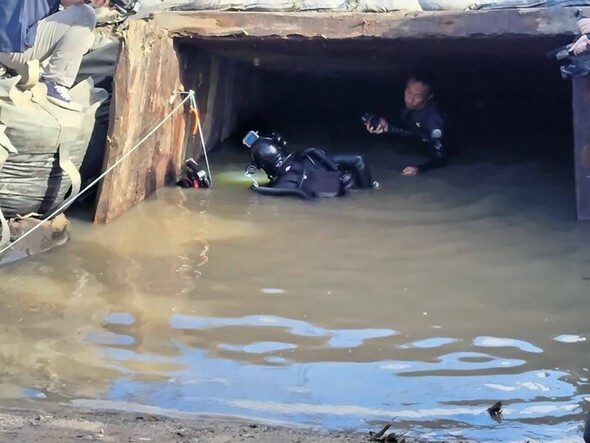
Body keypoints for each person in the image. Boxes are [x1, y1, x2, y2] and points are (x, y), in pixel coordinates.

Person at [0, 0, 110, 111]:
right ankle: (56, 82)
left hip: (6, 46)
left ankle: (41, 71)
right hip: (11, 50)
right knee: (86, 14)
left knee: (88, 36)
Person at [242, 131, 378, 199]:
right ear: (280, 145)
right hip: (348, 187)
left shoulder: (279, 186)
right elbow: (359, 159)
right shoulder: (310, 156)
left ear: (263, 166)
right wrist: (369, 191)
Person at [363, 68, 447, 176]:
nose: (409, 99)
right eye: (408, 92)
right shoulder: (404, 101)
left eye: (418, 96)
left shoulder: (433, 120)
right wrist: (378, 122)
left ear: (429, 97)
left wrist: (419, 169)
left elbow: (440, 159)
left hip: (424, 146)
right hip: (411, 135)